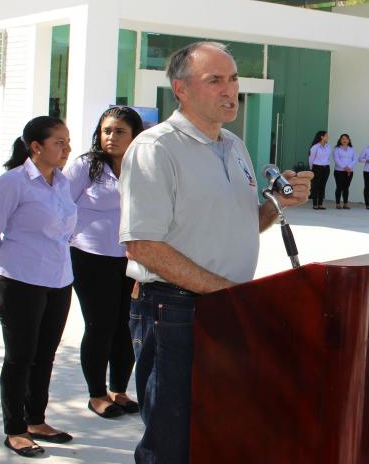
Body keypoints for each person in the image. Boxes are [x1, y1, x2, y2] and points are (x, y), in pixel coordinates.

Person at [118, 41, 312, 464]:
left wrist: (279, 204)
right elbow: (143, 245)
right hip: (174, 311)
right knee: (172, 441)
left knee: (219, 430)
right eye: (215, 80)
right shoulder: (156, 149)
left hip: (226, 305)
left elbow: (246, 222)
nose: (231, 91)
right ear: (181, 89)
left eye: (234, 79)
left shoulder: (235, 145)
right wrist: (228, 295)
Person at [0, 116, 76, 458]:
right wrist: (15, 261)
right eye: (59, 142)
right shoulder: (12, 183)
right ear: (36, 147)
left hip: (59, 280)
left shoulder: (62, 183)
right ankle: (15, 429)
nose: (67, 149)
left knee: (45, 355)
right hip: (18, 282)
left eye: (67, 141)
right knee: (20, 357)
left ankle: (36, 420)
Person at [64, 106, 144, 419]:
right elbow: (60, 205)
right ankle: (97, 394)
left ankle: (119, 391)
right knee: (100, 326)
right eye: (106, 130)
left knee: (127, 326)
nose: (110, 137)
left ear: (135, 135)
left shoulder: (144, 166)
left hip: (132, 259)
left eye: (119, 131)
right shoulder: (87, 166)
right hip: (90, 258)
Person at [308, 130, 331, 210]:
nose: (328, 137)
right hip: (317, 167)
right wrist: (311, 169)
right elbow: (311, 159)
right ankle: (315, 204)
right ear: (322, 137)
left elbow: (328, 157)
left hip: (326, 167)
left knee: (322, 186)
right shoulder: (315, 147)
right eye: (326, 135)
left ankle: (320, 204)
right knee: (316, 186)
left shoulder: (328, 146)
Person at [332, 133, 356, 209]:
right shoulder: (337, 149)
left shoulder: (352, 149)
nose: (344, 140)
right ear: (340, 140)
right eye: (343, 139)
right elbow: (336, 160)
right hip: (339, 171)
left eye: (346, 139)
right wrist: (344, 167)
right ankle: (338, 203)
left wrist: (349, 167)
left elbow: (354, 159)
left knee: (346, 187)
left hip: (349, 171)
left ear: (349, 140)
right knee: (339, 187)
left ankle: (345, 203)